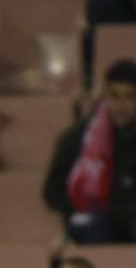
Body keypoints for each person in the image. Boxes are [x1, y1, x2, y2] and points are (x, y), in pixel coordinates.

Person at [44, 59, 136, 243]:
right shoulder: (77, 138)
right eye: (115, 96)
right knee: (98, 228)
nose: (121, 105)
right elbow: (52, 192)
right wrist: (81, 205)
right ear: (105, 96)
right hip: (90, 217)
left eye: (129, 97)